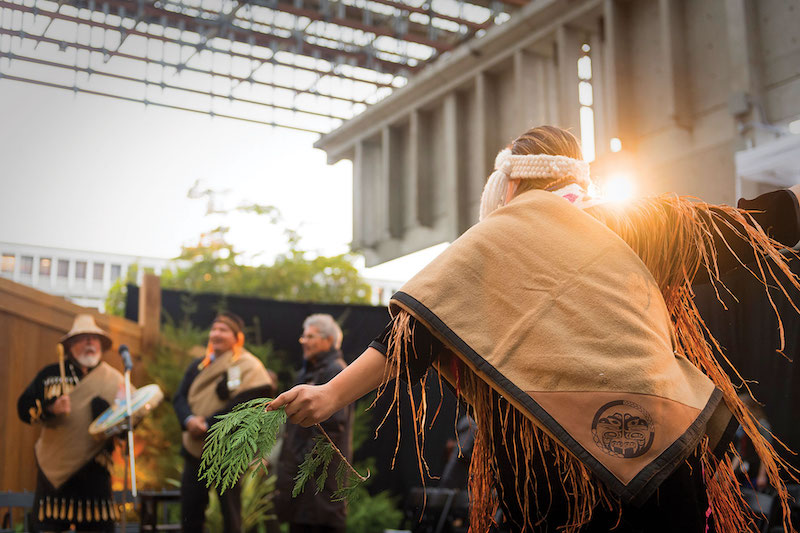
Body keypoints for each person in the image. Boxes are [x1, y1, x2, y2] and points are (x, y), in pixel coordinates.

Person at [268, 126, 800, 533]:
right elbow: (752, 223)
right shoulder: (638, 221)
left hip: (551, 472)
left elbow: (409, 335)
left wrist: (329, 393)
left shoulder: (490, 242)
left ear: (512, 182)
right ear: (577, 178)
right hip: (660, 453)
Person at [17, 314, 124, 533]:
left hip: (96, 474)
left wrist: (110, 417)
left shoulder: (115, 380)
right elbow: (23, 408)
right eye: (83, 338)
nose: (89, 343)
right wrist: (50, 408)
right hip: (56, 473)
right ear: (70, 345)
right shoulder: (50, 375)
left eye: (93, 339)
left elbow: (128, 427)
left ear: (101, 345)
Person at [173, 311, 275, 533]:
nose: (215, 334)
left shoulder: (249, 367)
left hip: (228, 451)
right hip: (194, 449)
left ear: (237, 337)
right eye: (214, 329)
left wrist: (208, 425)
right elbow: (179, 397)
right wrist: (189, 420)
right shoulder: (199, 365)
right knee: (190, 512)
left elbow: (247, 404)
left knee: (231, 515)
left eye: (223, 330)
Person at [275, 313, 354, 533]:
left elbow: (331, 430)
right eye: (303, 337)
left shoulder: (334, 372)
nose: (304, 342)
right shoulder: (309, 371)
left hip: (318, 487)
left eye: (310, 336)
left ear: (328, 340)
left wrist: (301, 467)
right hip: (303, 487)